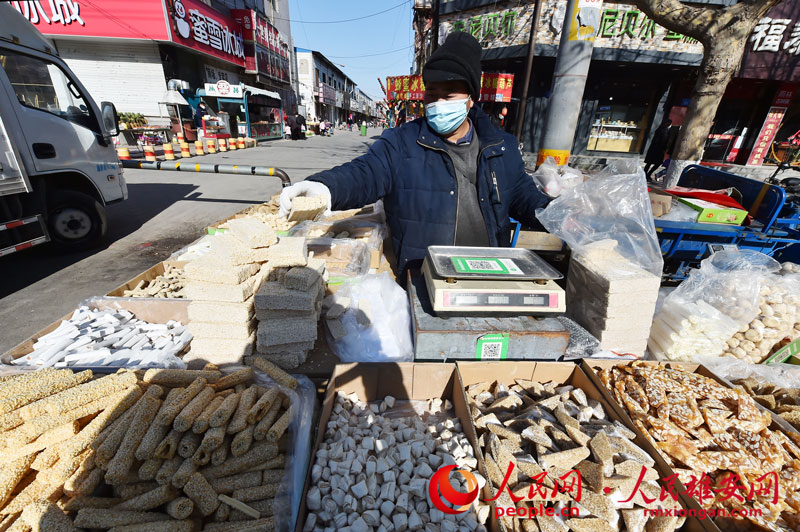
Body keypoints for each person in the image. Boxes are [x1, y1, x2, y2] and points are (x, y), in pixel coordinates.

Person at [278, 32, 550, 277]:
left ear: (470, 98)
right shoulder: (401, 143)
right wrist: (323, 189)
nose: (438, 104)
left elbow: (525, 198)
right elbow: (365, 173)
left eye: (449, 95)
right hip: (423, 277)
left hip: (488, 275)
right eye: (432, 94)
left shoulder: (501, 147)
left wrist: (562, 217)